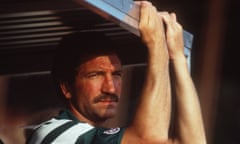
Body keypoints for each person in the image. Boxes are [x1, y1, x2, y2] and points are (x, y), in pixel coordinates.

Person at [26, 1, 206, 144]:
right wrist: (157, 43)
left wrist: (179, 59)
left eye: (116, 75)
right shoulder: (55, 134)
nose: (110, 88)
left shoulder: (98, 137)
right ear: (66, 88)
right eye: (95, 75)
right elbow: (151, 138)